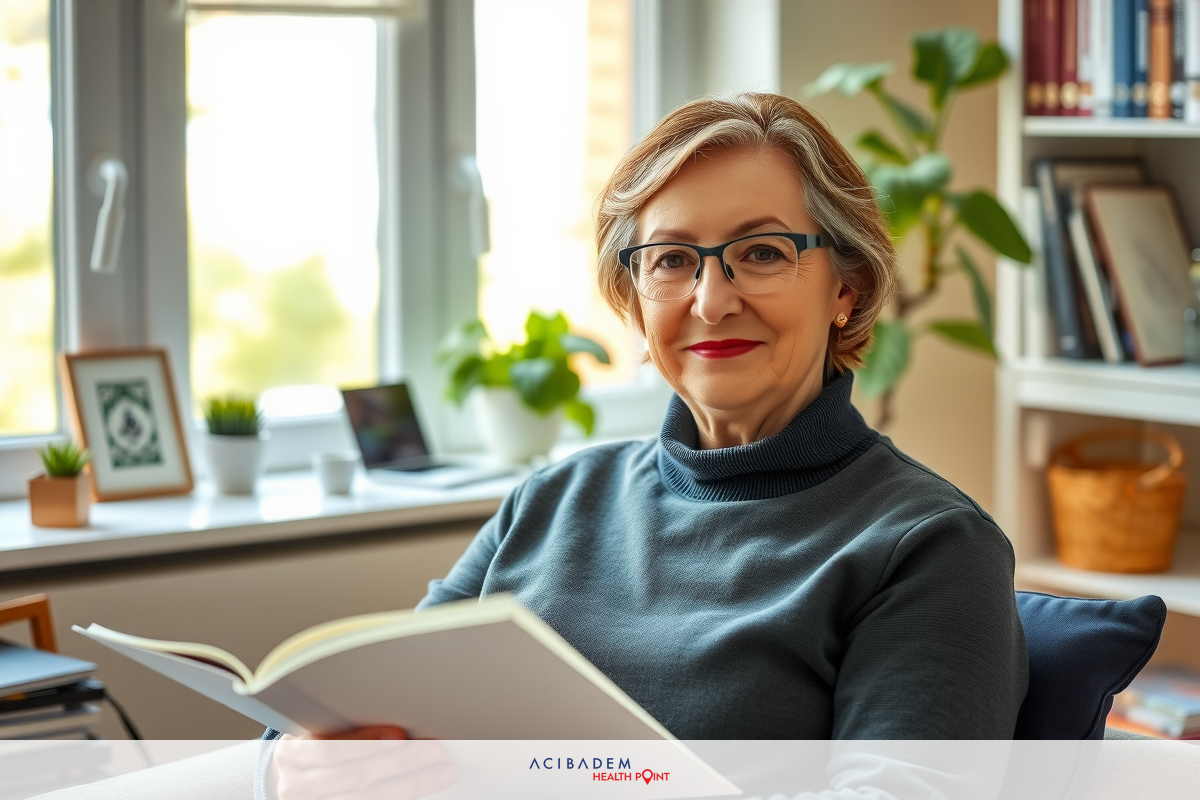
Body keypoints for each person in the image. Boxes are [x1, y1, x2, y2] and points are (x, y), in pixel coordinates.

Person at [265, 91, 1027, 797]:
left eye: (762, 252)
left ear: (845, 286)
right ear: (634, 295)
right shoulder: (556, 499)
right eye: (671, 260)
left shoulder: (930, 545)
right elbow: (358, 696)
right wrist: (294, 759)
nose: (712, 299)